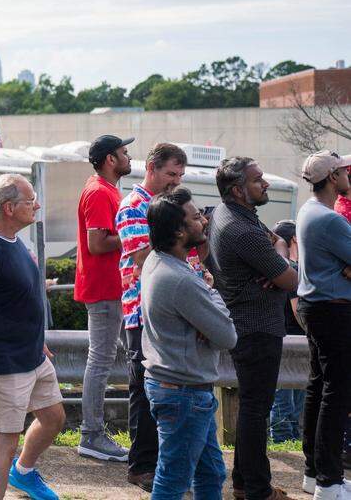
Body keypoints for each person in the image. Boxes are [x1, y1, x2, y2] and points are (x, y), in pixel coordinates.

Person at [0, 173, 65, 500]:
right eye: (30, 200)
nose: (37, 205)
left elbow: (16, 299)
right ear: (8, 208)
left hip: (33, 357)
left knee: (54, 419)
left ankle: (24, 474)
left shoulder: (16, 240)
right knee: (4, 443)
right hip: (3, 367)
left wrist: (37, 339)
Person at [205, 156, 295, 500]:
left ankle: (244, 484)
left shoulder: (228, 215)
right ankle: (258, 489)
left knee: (251, 407)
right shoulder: (241, 229)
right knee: (257, 409)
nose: (266, 183)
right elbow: (290, 278)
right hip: (256, 327)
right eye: (258, 180)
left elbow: (275, 262)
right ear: (238, 190)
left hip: (248, 322)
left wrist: (273, 256)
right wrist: (282, 251)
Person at [140, 187, 236, 500]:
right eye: (196, 217)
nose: (205, 221)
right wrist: (210, 291)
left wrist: (203, 297)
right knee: (172, 482)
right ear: (180, 231)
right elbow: (227, 336)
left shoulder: (158, 261)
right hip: (184, 395)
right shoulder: (181, 279)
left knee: (211, 473)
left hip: (182, 390)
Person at [114, 141, 193, 492]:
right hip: (140, 312)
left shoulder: (168, 207)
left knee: (166, 392)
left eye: (180, 176)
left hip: (169, 311)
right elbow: (140, 256)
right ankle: (141, 465)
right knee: (143, 392)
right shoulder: (134, 206)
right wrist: (178, 239)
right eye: (170, 174)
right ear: (151, 167)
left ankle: (160, 463)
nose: (175, 181)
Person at [74, 134, 132, 462]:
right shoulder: (98, 192)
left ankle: (93, 433)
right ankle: (91, 435)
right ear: (110, 159)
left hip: (110, 287)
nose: (129, 157)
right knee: (101, 360)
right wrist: (137, 231)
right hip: (104, 288)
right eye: (124, 153)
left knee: (106, 358)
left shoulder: (106, 189)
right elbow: (97, 244)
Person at [296, 151, 351, 499]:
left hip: (316, 308)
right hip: (333, 309)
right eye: (344, 170)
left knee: (320, 387)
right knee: (337, 390)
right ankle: (330, 480)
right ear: (332, 178)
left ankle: (314, 473)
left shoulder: (308, 210)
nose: (348, 174)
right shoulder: (331, 220)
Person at [268, 220, 306, 444]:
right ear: (293, 239)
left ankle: (288, 437)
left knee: (289, 392)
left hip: (283, 336)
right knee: (287, 395)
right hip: (294, 337)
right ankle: (284, 438)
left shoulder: (279, 268)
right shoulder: (292, 269)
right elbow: (296, 308)